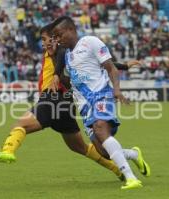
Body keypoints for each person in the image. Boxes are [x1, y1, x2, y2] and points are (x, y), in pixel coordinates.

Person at [0, 24, 126, 181]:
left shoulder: (61, 52)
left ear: (55, 39)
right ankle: (117, 168)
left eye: (45, 39)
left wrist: (56, 65)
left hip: (53, 99)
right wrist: (124, 66)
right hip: (65, 104)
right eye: (42, 40)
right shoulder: (62, 53)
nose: (44, 43)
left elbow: (66, 58)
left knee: (21, 125)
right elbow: (96, 62)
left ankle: (7, 151)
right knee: (78, 147)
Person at [51, 16, 150, 190]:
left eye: (59, 35)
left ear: (71, 30)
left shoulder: (90, 42)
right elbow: (72, 82)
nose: (58, 40)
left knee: (100, 127)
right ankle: (133, 154)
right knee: (102, 151)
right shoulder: (67, 56)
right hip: (84, 106)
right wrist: (57, 75)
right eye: (55, 37)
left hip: (101, 95)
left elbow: (110, 67)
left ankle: (131, 178)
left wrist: (116, 89)